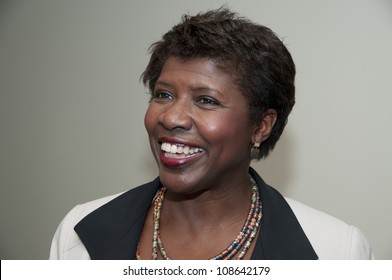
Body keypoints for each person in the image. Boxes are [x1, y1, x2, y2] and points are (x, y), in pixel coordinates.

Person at [49, 7, 374, 260]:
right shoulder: (78, 235)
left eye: (206, 100)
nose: (172, 117)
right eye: (163, 94)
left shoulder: (336, 250)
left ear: (261, 126)